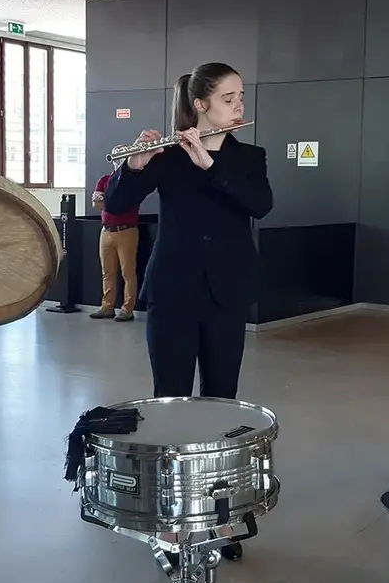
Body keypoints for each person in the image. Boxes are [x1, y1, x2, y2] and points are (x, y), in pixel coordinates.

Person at [102, 62, 273, 400]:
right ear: (200, 104)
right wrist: (135, 167)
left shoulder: (250, 157)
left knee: (222, 396)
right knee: (170, 394)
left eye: (241, 96)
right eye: (227, 98)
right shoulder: (167, 156)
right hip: (173, 292)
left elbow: (261, 205)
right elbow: (116, 203)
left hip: (227, 292)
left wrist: (213, 167)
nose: (238, 105)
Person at [90, 159, 140, 322]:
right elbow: (97, 203)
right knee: (107, 272)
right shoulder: (105, 180)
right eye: (115, 157)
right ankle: (107, 306)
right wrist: (108, 202)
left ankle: (127, 309)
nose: (117, 161)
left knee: (128, 272)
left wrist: (107, 200)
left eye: (121, 157)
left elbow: (123, 204)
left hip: (126, 230)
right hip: (106, 231)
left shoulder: (133, 183)